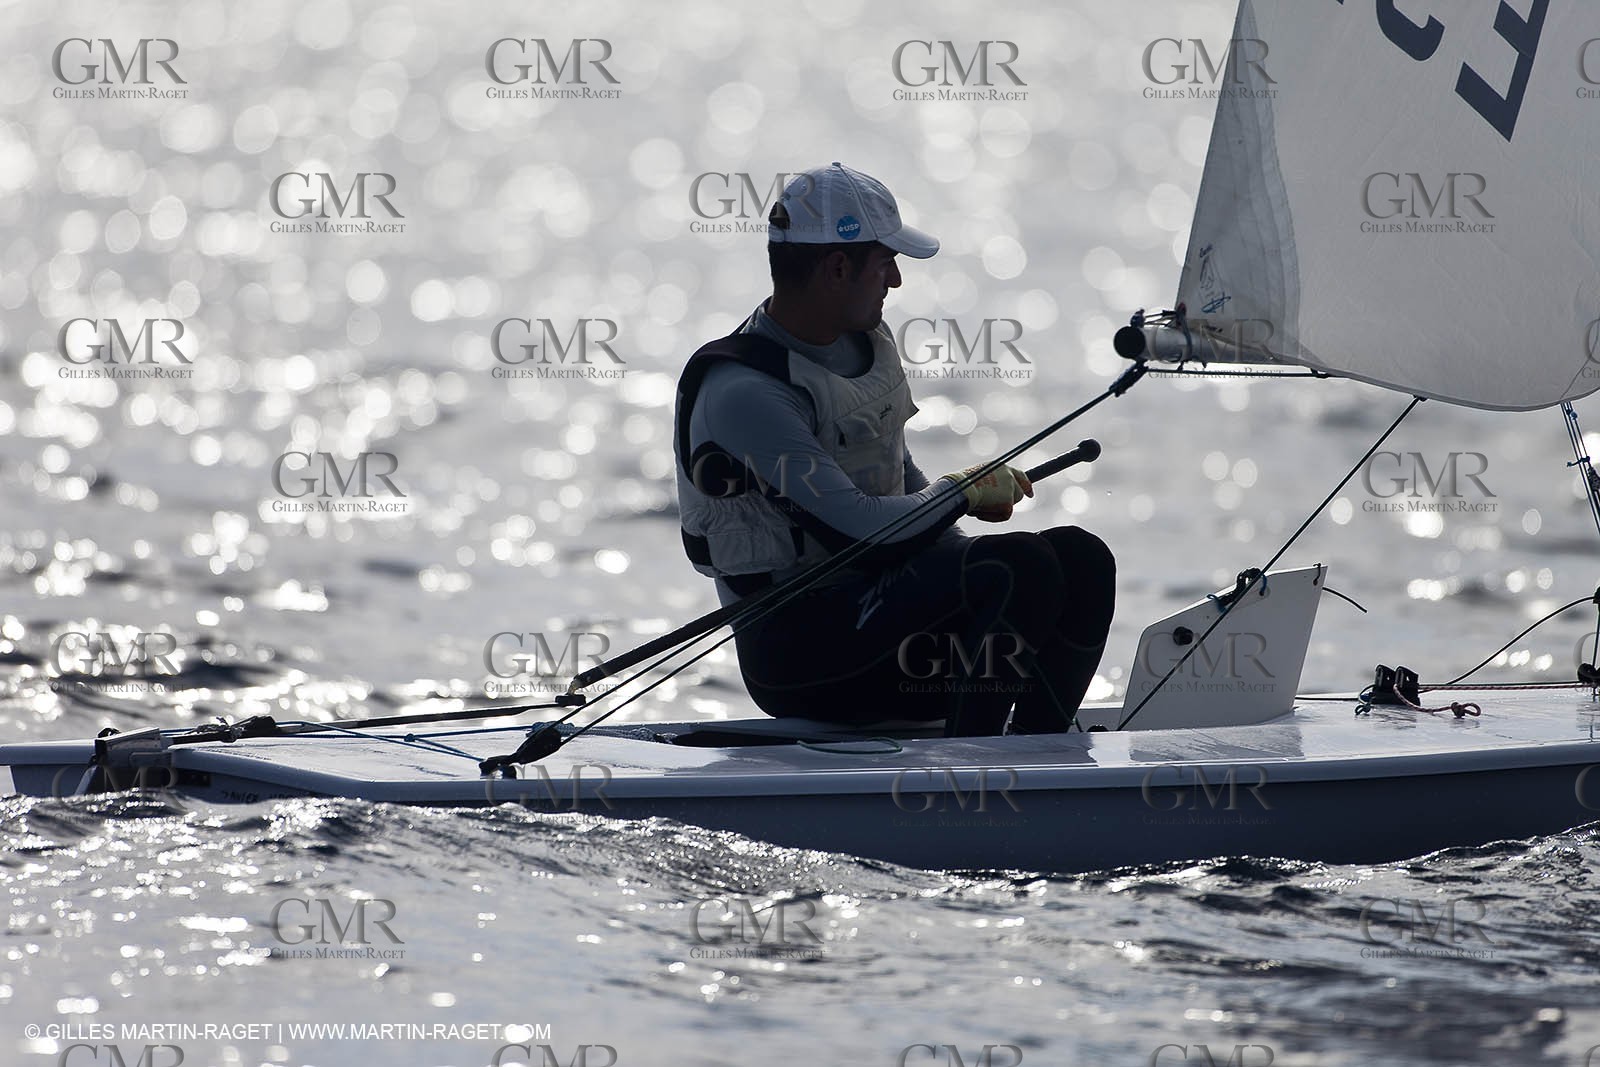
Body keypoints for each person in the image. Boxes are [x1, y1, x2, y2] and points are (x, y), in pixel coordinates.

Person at [672, 162, 1114, 735]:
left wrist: (954, 521)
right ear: (837, 268)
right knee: (1018, 565)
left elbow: (899, 485)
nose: (896, 282)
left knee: (1080, 556)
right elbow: (866, 536)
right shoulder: (745, 393)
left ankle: (1039, 751)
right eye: (887, 264)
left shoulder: (864, 345)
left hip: (882, 621)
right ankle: (973, 774)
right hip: (799, 655)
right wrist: (960, 493)